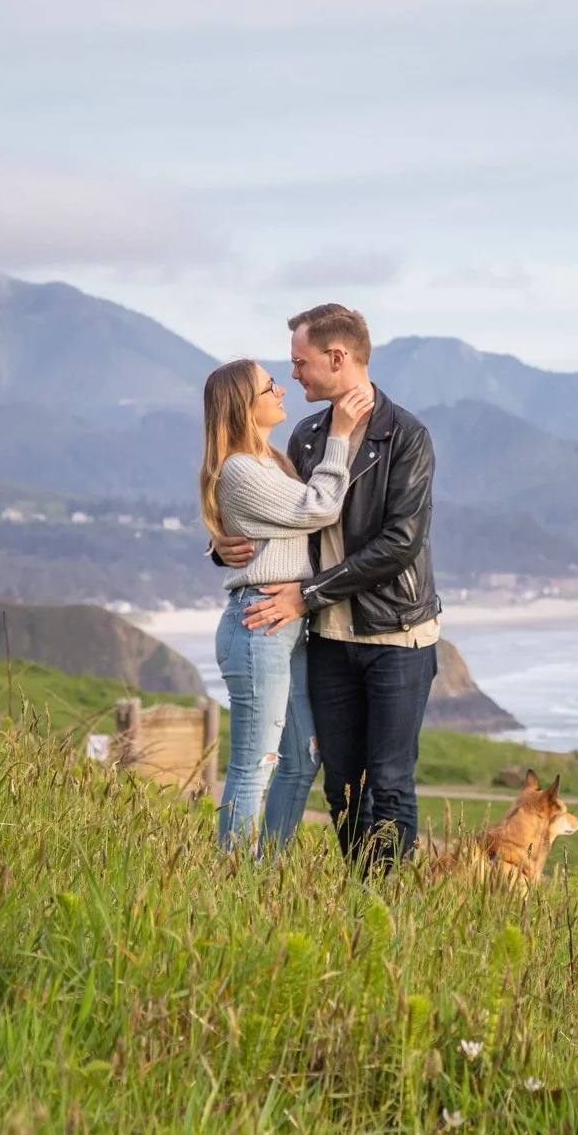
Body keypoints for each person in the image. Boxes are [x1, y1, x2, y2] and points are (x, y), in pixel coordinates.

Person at [212, 303, 440, 872]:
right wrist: (223, 546)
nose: (292, 375)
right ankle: (344, 886)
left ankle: (382, 900)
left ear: (336, 358)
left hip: (395, 634)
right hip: (326, 637)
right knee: (339, 781)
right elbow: (285, 518)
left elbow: (399, 544)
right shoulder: (311, 435)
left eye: (299, 362)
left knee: (387, 783)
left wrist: (306, 596)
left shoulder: (405, 436)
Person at [198, 358, 370, 853]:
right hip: (259, 623)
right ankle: (234, 878)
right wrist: (340, 434)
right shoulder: (239, 468)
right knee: (256, 763)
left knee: (302, 756)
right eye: (268, 386)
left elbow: (273, 531)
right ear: (241, 406)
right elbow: (319, 508)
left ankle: (266, 871)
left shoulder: (271, 460)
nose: (280, 389)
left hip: (285, 621)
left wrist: (218, 545)